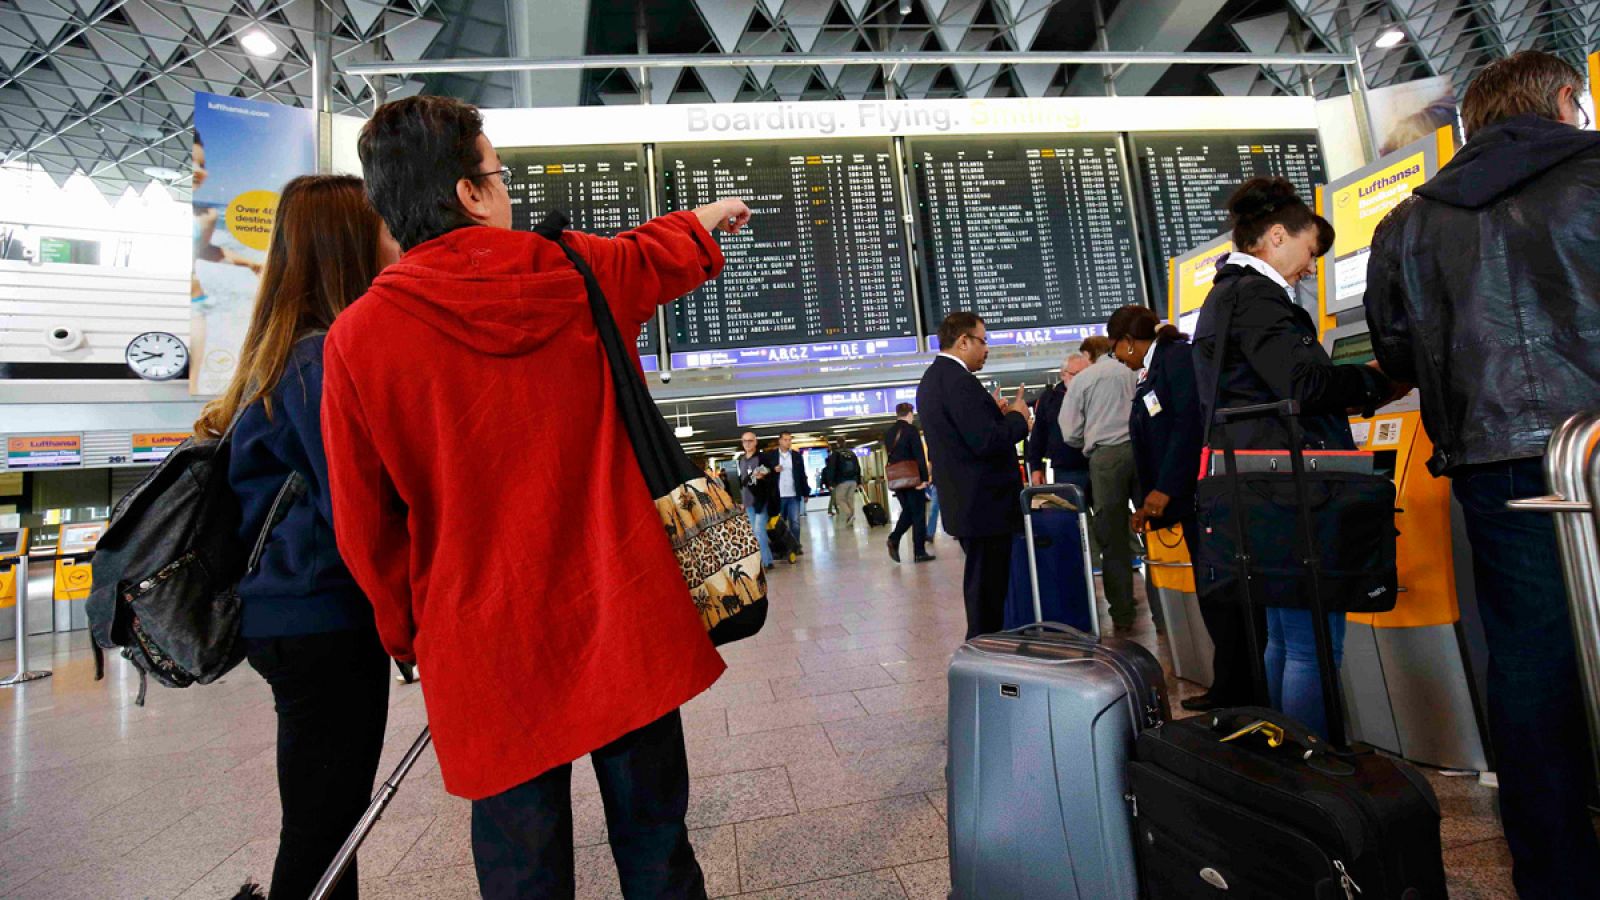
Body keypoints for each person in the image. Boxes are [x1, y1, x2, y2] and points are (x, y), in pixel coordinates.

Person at [324, 94, 749, 899]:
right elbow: (651, 251)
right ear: (469, 193)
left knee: (522, 869)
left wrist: (405, 633)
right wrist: (709, 216)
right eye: (497, 172)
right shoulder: (576, 270)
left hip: (483, 646)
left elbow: (366, 524)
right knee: (657, 846)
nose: (506, 188)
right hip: (625, 609)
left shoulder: (358, 339)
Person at [1364, 50, 1600, 895]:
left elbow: (1395, 348)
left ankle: (1556, 872)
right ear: (1566, 99)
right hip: (1597, 444)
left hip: (1495, 464)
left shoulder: (1410, 222)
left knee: (1531, 663)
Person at [194, 175, 401, 900]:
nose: (392, 239)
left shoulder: (284, 354)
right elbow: (358, 505)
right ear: (347, 243)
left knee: (327, 819)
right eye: (379, 227)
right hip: (323, 619)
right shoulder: (320, 359)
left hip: (292, 618)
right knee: (323, 828)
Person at [1193, 176, 1402, 740]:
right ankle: (1315, 764)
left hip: (1260, 485)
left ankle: (1289, 757)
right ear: (1277, 236)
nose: (1311, 267)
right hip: (1293, 487)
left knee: (1287, 635)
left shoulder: (1222, 297)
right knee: (1312, 642)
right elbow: (1304, 385)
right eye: (1310, 252)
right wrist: (1377, 380)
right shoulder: (1258, 298)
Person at [1106, 305, 1255, 712]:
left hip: (1198, 495)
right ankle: (1231, 684)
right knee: (1212, 593)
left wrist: (1165, 490)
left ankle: (1238, 687)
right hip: (1182, 497)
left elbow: (1188, 427)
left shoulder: (1176, 359)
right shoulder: (1156, 368)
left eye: (1116, 350)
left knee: (1220, 592)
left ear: (1128, 342)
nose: (1118, 358)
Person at [917, 312, 1031, 639]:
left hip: (968, 504)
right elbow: (985, 441)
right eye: (983, 341)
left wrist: (995, 416)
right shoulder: (959, 380)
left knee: (984, 589)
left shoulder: (935, 379)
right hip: (984, 506)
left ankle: (985, 653)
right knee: (986, 597)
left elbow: (966, 434)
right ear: (963, 341)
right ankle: (983, 657)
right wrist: (1019, 420)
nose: (987, 349)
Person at [1061, 330, 1141, 634]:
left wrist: (1089, 438)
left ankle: (1122, 612)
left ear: (1087, 355)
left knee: (1114, 539)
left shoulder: (1083, 379)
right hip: (1140, 452)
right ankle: (1166, 613)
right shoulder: (1131, 372)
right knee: (1157, 530)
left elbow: (1069, 431)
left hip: (1106, 459)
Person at [1027, 352, 1093, 501]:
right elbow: (1038, 435)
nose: (1082, 379)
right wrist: (1036, 468)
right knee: (1070, 515)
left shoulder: (1095, 394)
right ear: (1063, 375)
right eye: (1077, 374)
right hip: (1066, 468)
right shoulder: (1050, 399)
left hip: (1095, 464)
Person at [883, 403, 934, 563]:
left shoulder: (889, 433)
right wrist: (924, 479)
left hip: (898, 480)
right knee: (918, 514)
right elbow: (919, 455)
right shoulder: (911, 430)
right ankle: (919, 552)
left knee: (909, 512)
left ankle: (894, 539)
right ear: (910, 414)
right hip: (912, 478)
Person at [761, 432, 810, 555]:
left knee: (795, 522)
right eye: (785, 440)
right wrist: (773, 470)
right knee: (778, 524)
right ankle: (782, 548)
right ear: (780, 441)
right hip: (777, 495)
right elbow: (763, 473)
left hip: (793, 493)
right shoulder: (770, 456)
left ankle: (795, 546)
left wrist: (805, 492)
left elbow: (801, 475)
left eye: (789, 440)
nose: (788, 442)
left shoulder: (796, 456)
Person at [736, 432, 776, 570]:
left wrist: (764, 476)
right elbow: (742, 481)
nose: (747, 443)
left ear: (755, 442)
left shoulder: (762, 458)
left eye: (750, 441)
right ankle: (768, 559)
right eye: (745, 441)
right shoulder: (741, 460)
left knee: (759, 530)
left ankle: (765, 562)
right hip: (748, 501)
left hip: (761, 499)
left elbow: (771, 474)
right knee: (756, 532)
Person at [821, 439, 861, 530]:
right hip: (853, 481)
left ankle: (849, 515)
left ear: (838, 444)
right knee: (850, 499)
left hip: (842, 481)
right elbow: (858, 467)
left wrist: (830, 482)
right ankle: (850, 519)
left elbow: (832, 469)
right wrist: (858, 481)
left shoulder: (836, 454)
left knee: (840, 500)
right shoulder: (852, 453)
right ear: (845, 443)